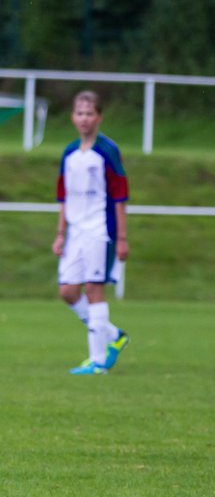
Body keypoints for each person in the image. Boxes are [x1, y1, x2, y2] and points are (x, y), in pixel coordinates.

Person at [52, 90, 131, 375]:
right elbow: (64, 197)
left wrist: (122, 238)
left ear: (99, 117)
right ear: (73, 117)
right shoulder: (70, 153)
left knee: (94, 289)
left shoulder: (107, 152)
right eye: (79, 113)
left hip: (101, 231)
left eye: (89, 113)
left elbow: (121, 197)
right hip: (75, 232)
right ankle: (114, 336)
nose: (84, 119)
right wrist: (60, 233)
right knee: (68, 290)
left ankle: (98, 362)